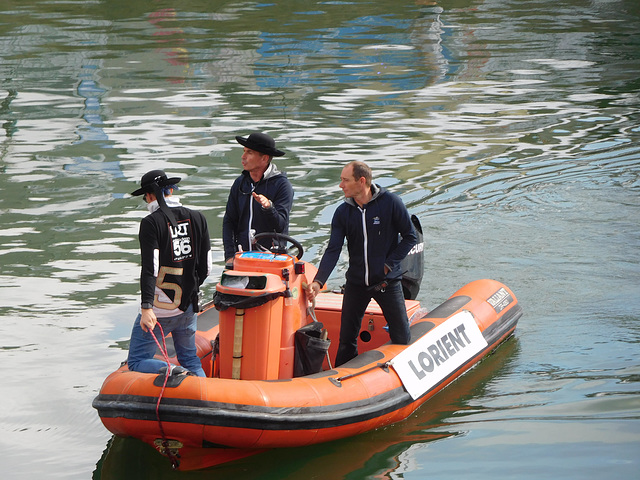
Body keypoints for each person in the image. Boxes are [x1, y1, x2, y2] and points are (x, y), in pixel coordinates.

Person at [307, 161, 417, 366]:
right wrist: (318, 281)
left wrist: (389, 265)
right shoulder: (342, 212)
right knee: (346, 341)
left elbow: (410, 237)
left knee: (402, 338)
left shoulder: (391, 202)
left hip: (386, 282)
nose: (341, 185)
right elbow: (333, 249)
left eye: (345, 180)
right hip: (356, 284)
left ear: (362, 181)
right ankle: (341, 381)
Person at [126, 170, 212, 377]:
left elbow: (150, 269)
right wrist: (189, 292)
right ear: (171, 190)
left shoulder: (151, 222)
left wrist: (146, 308)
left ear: (150, 196)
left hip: (160, 309)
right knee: (191, 358)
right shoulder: (198, 217)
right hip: (188, 307)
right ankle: (201, 393)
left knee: (136, 361)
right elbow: (206, 267)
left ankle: (173, 371)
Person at [222, 132, 294, 262]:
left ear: (264, 158)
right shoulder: (240, 183)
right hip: (242, 258)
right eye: (244, 151)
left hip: (271, 259)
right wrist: (229, 255)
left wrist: (269, 208)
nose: (243, 157)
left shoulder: (282, 185)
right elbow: (229, 221)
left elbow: (280, 225)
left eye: (249, 152)